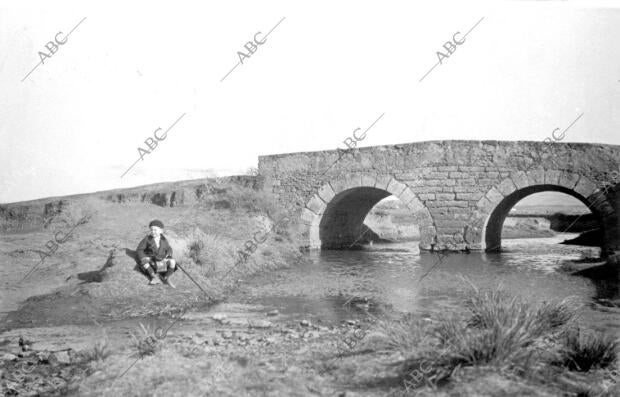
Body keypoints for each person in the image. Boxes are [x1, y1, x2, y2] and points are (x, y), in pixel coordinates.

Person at [136, 219, 176, 287]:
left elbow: (168, 248)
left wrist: (169, 252)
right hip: (151, 259)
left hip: (160, 260)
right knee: (144, 262)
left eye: (155, 230)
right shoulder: (147, 239)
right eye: (151, 230)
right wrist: (144, 257)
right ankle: (154, 277)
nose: (153, 232)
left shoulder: (163, 239)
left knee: (173, 262)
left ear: (161, 231)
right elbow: (139, 250)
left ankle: (166, 278)